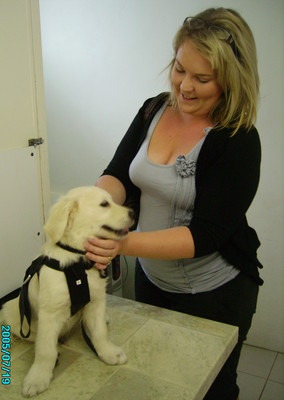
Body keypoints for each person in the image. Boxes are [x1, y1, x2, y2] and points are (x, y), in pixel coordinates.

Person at [84, 7, 263, 400]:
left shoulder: (239, 139)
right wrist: (95, 208)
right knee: (160, 381)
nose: (184, 86)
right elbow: (117, 173)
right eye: (180, 69)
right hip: (153, 280)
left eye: (202, 78)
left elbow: (207, 234)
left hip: (215, 294)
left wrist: (122, 244)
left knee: (213, 389)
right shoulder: (153, 108)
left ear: (231, 81)